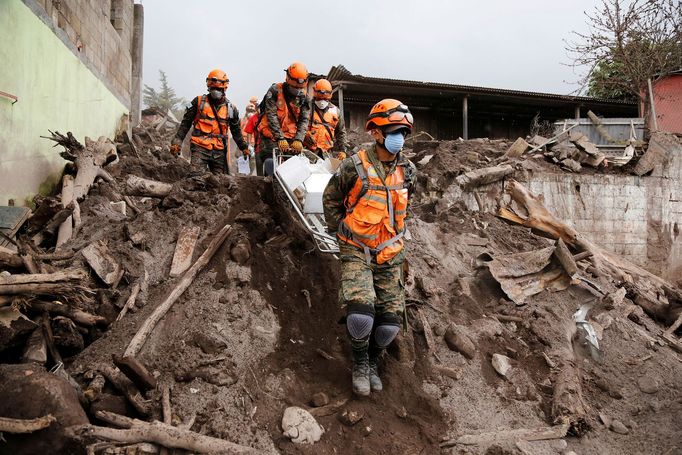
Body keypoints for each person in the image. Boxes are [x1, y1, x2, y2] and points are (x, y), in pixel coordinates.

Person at [322, 99, 416, 396]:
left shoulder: (409, 171)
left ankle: (374, 362)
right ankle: (360, 363)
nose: (398, 136)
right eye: (393, 130)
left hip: (390, 252)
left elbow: (404, 208)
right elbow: (331, 200)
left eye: (403, 131)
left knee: (389, 323)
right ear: (375, 132)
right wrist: (343, 231)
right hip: (356, 249)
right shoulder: (354, 165)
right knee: (361, 314)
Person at [171, 69, 249, 174]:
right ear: (208, 86)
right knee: (196, 177)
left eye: (218, 88)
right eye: (213, 88)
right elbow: (185, 124)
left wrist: (244, 147)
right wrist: (177, 142)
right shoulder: (198, 102)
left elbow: (236, 131)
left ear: (224, 88)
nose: (215, 91)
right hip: (199, 147)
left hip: (219, 151)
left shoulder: (231, 109)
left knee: (221, 182)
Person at [255, 61, 312, 175]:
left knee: (298, 166)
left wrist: (299, 139)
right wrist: (280, 138)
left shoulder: (304, 98)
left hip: (291, 137)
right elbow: (271, 116)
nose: (297, 91)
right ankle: (268, 184)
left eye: (300, 88)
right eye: (295, 88)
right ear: (288, 79)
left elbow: (304, 120)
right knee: (271, 161)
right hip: (271, 136)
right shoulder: (275, 91)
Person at [305, 79, 349, 160]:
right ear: (314, 93)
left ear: (330, 95)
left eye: (325, 99)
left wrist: (343, 150)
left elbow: (341, 132)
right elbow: (297, 126)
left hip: (326, 155)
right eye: (319, 99)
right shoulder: (306, 107)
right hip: (307, 153)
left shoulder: (336, 111)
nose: (322, 102)